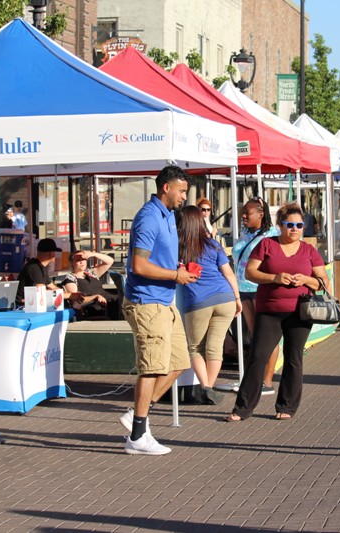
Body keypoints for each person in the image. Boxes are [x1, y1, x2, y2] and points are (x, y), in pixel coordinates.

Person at [118, 165, 198, 456]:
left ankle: (138, 413)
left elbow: (157, 260)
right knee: (151, 368)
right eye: (182, 191)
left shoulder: (168, 215)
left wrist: (175, 269)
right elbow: (139, 266)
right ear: (166, 188)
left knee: (179, 361)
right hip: (147, 302)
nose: (184, 197)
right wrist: (175, 276)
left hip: (164, 301)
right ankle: (138, 435)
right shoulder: (149, 217)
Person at [226, 202, 328, 422]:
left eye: (299, 225)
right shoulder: (266, 245)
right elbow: (250, 272)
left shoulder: (309, 250)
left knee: (294, 358)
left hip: (300, 312)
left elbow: (323, 282)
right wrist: (274, 278)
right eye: (289, 224)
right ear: (280, 225)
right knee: (257, 357)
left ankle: (287, 406)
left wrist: (307, 279)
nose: (294, 229)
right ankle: (242, 408)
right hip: (269, 310)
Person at [176, 205, 241, 404]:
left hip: (198, 302)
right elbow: (228, 273)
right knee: (215, 348)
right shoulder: (213, 245)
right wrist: (237, 298)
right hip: (225, 298)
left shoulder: (179, 247)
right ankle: (210, 388)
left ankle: (205, 386)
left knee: (196, 347)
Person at [231, 197, 281, 395]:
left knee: (268, 337)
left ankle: (267, 381)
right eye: (243, 212)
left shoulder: (272, 235)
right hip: (243, 288)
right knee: (254, 336)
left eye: (247, 213)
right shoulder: (245, 232)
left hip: (261, 288)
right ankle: (255, 378)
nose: (243, 216)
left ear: (261, 215)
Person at [15, 238, 80, 306]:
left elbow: (52, 287)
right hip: (22, 307)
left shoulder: (39, 266)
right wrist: (70, 295)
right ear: (51, 254)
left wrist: (69, 293)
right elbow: (41, 292)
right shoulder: (34, 268)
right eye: (55, 252)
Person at [60, 250, 118, 320]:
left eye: (84, 259)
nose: (82, 262)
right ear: (72, 263)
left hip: (110, 300)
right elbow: (76, 300)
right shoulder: (70, 278)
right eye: (78, 260)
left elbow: (110, 261)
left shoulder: (91, 273)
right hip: (96, 307)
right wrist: (95, 297)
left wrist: (93, 254)